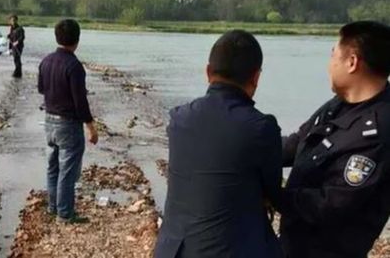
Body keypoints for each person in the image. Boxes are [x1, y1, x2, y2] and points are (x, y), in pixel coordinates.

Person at [154, 30, 283, 258]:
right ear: (256, 77)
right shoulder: (261, 128)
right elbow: (272, 192)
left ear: (207, 72)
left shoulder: (179, 119)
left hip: (173, 250)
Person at [280, 21, 390, 258]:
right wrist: (247, 145)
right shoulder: (338, 105)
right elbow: (297, 142)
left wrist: (271, 194)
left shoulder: (378, 132)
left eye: (333, 56)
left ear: (352, 62)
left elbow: (330, 204)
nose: (329, 66)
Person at [38, 19, 99, 223]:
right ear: (77, 40)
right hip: (68, 124)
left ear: (57, 37)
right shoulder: (74, 66)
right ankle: (65, 214)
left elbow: (41, 89)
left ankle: (53, 208)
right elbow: (80, 102)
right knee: (67, 171)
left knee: (53, 167)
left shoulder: (45, 61)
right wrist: (91, 127)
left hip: (49, 120)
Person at [8, 14, 25, 78]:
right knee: (15, 59)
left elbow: (22, 37)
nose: (13, 22)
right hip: (13, 47)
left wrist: (17, 42)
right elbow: (11, 39)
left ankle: (17, 73)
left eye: (14, 20)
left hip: (19, 47)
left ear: (17, 20)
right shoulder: (11, 28)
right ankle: (18, 74)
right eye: (12, 21)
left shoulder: (20, 28)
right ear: (10, 21)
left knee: (17, 59)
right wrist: (9, 48)